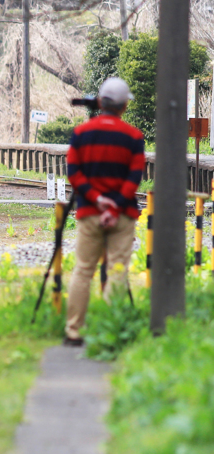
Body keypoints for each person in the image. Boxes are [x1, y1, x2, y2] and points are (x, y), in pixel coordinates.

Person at [64, 76, 146, 346]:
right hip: (122, 215)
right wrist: (115, 205)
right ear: (124, 107)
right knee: (118, 270)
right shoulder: (134, 137)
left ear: (100, 103)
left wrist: (98, 200)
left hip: (89, 211)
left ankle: (74, 331)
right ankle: (111, 332)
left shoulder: (81, 134)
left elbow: (74, 173)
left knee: (83, 270)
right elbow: (134, 177)